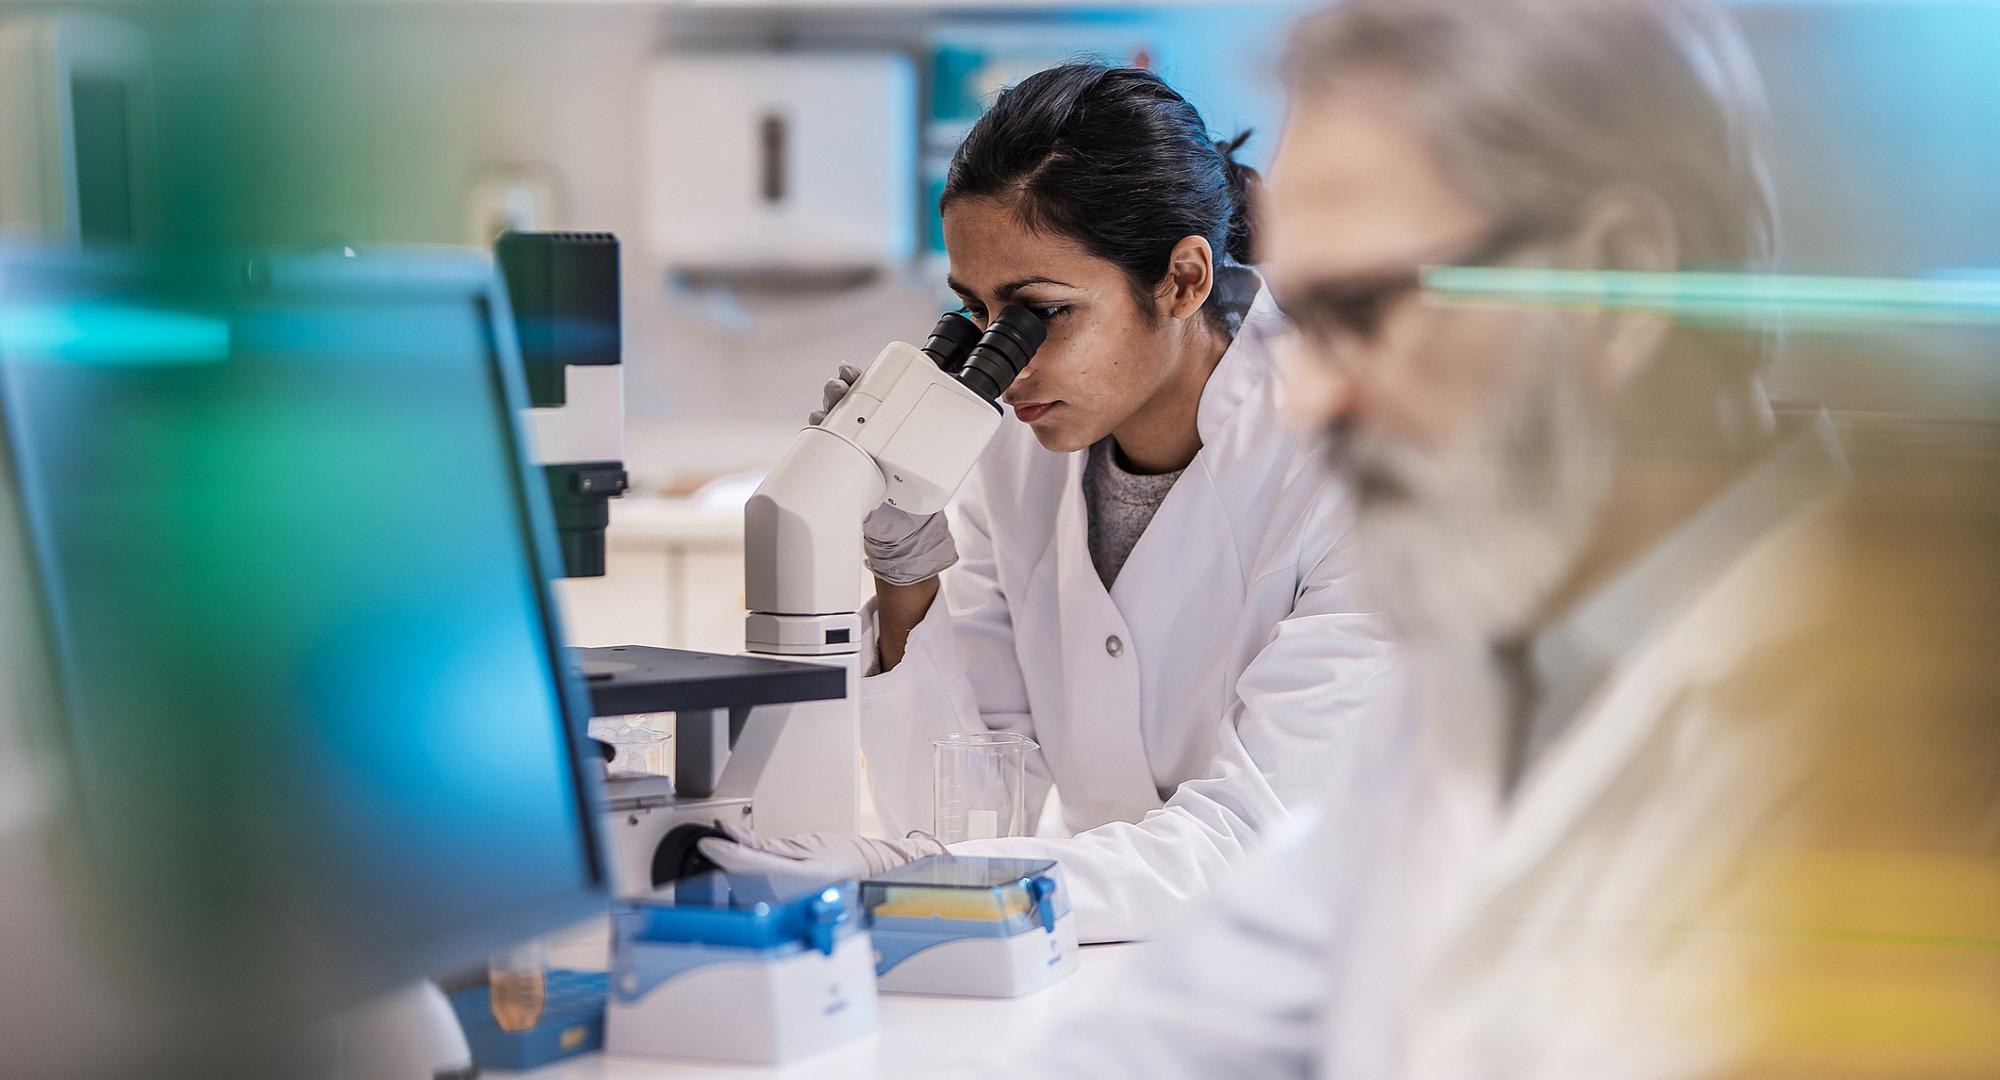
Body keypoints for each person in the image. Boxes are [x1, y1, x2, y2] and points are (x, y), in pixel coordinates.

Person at [988, 0, 2000, 1075]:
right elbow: (1178, 1028)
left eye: (1359, 312)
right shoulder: (1472, 692)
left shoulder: (1920, 753)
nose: (1302, 400)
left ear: (1616, 278)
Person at [702, 63, 1399, 943]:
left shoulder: (1359, 470)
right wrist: (907, 572)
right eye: (977, 316)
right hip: (1110, 946)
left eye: (1042, 314)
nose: (1008, 362)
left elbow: (1250, 841)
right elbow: (960, 811)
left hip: (1335, 964)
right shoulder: (1014, 459)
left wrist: (918, 874)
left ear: (1183, 280)